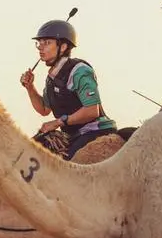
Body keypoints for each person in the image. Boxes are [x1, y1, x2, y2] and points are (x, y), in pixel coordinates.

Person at [20, 19, 117, 160]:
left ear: (63, 46)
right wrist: (30, 87)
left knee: (65, 167)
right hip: (74, 135)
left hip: (96, 131)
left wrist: (57, 122)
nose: (40, 47)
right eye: (39, 43)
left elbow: (91, 110)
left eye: (46, 43)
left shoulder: (79, 70)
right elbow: (44, 109)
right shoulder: (51, 77)